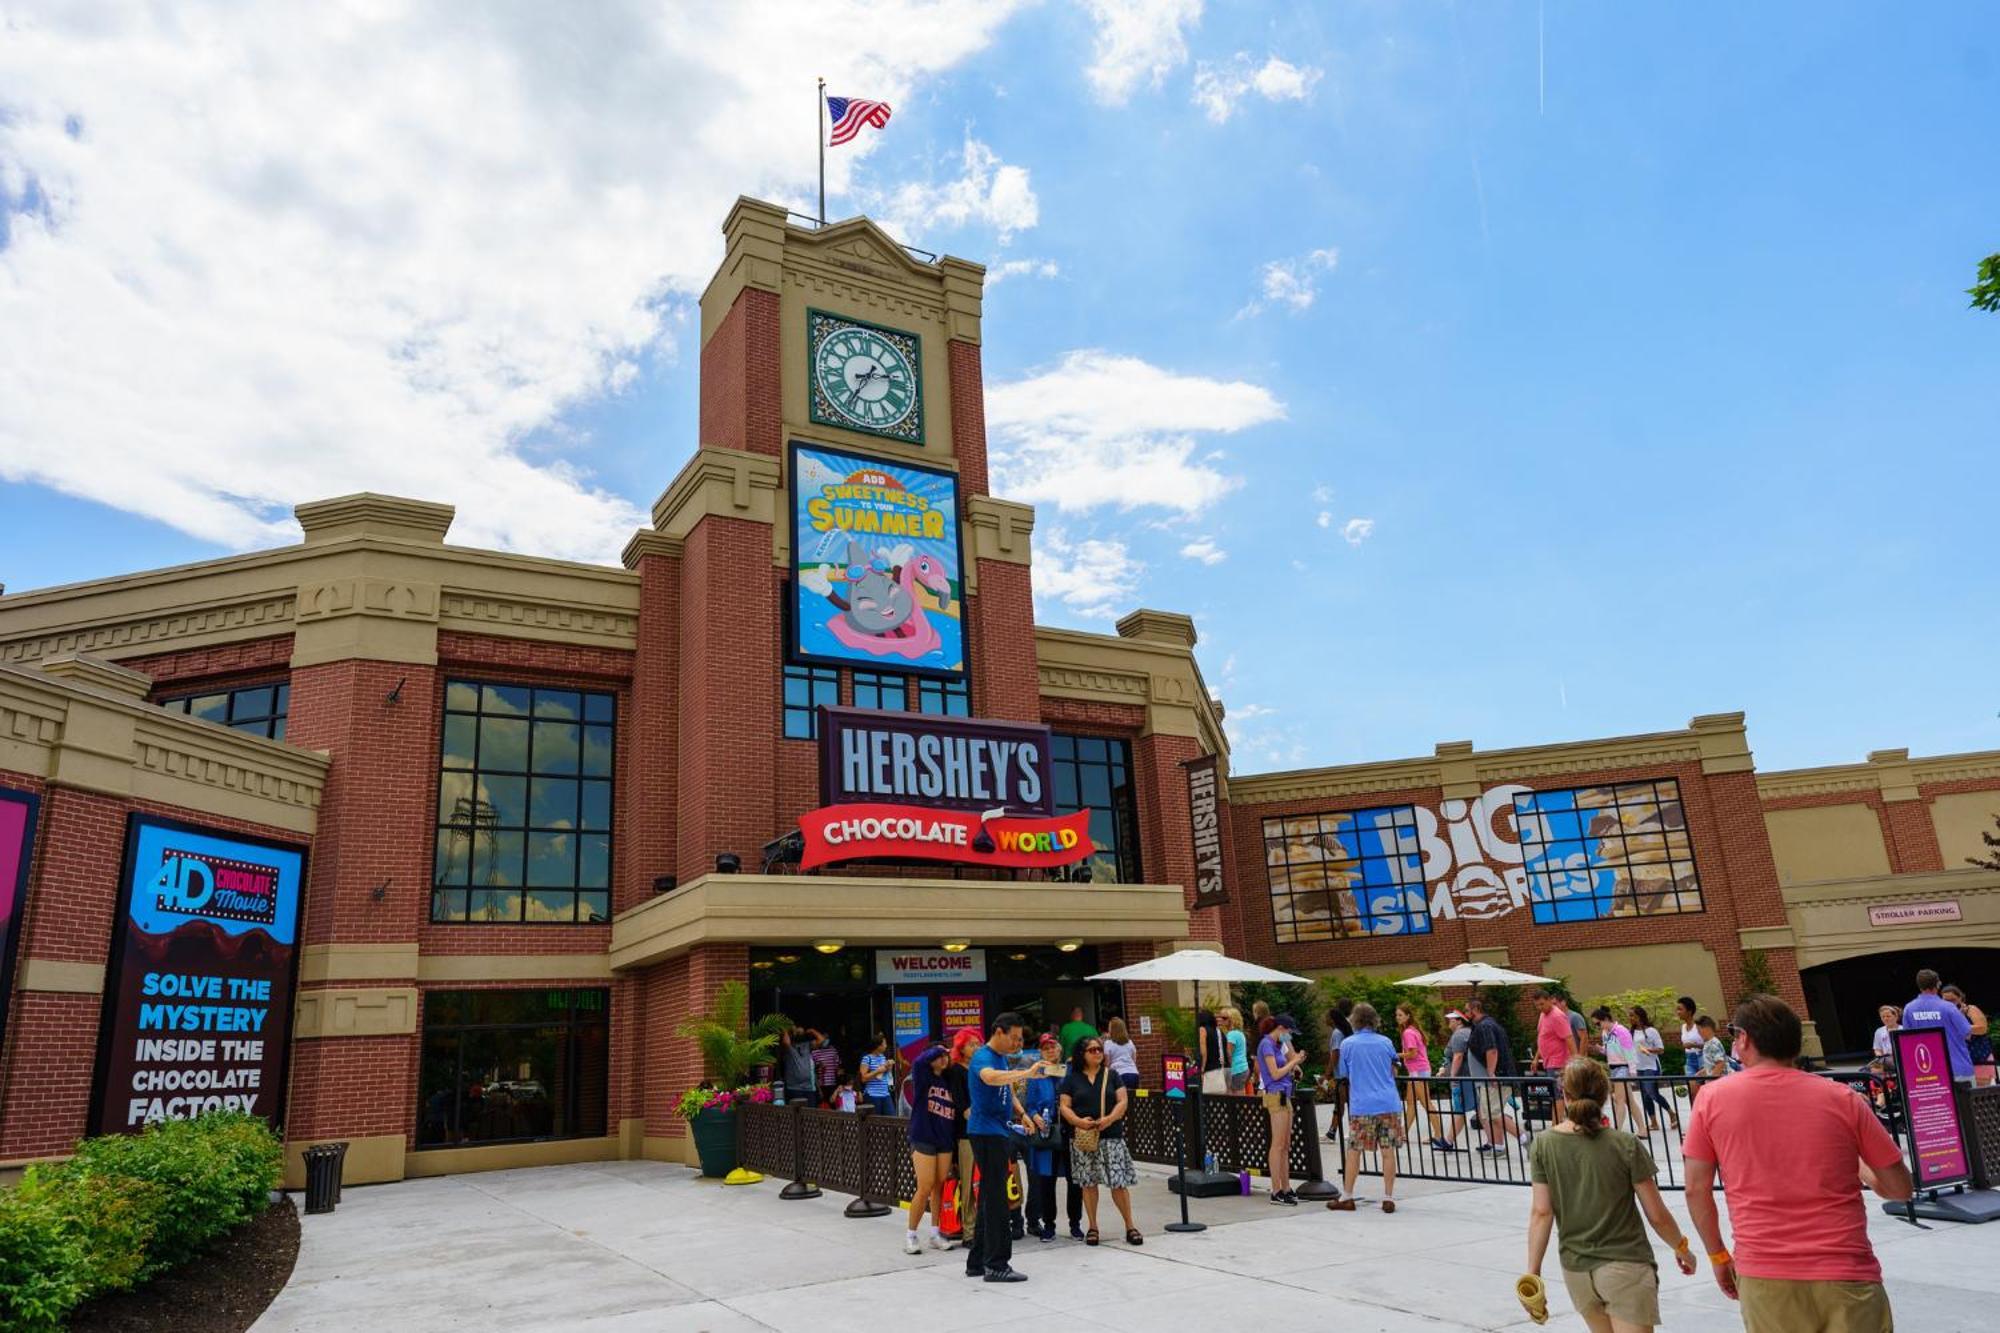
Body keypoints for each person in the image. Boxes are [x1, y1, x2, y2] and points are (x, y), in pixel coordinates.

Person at [1684, 995, 1912, 1332]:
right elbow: (1900, 1189)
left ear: (1744, 1038)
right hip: (1847, 1272)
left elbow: (1695, 1189)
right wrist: (1858, 1164)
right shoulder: (1842, 1098)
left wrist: (1718, 1256)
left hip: (1766, 1275)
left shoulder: (1711, 1099)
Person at [1525, 1058, 1697, 1332]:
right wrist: (1682, 1247)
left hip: (1577, 1269)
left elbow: (1541, 1212)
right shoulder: (1624, 1144)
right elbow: (1657, 1214)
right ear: (1605, 1095)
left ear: (1565, 1095)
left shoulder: (1543, 1144)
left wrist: (1533, 1271)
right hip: (1626, 1265)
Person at [964, 1012, 1054, 1284]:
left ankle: (977, 1262)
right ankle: (997, 1264)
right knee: (997, 1201)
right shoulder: (983, 1057)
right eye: (1014, 1038)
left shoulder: (1002, 1057)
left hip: (998, 1131)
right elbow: (991, 1078)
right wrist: (1027, 1072)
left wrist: (1022, 1114)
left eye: (1020, 1039)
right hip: (986, 1134)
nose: (1017, 1043)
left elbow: (1009, 1090)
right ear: (998, 1032)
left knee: (989, 1199)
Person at [1061, 1035, 1141, 1245]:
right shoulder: (1071, 1078)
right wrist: (1078, 1121)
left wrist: (1109, 1119)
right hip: (1084, 1137)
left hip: (1110, 1135)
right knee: (1088, 1183)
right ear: (1082, 1054)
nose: (1098, 1053)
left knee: (1118, 1183)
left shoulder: (1112, 1075)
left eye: (1099, 1049)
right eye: (1092, 1050)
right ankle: (1093, 1226)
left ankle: (1130, 1226)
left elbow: (1123, 1100)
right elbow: (1064, 1106)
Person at [1328, 1002, 1403, 1213]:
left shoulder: (1348, 1044)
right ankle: (1388, 1197)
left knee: (1354, 1151)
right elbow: (1394, 1070)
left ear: (1355, 1021)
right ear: (1374, 1020)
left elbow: (1344, 1072)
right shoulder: (1386, 1042)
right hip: (1388, 1102)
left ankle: (1347, 1196)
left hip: (1362, 1105)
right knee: (1388, 1151)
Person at [905, 1044, 958, 1254]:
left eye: (946, 1056)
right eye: (939, 1056)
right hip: (923, 1136)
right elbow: (918, 1061)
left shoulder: (949, 1080)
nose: (944, 1059)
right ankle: (911, 1235)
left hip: (944, 1139)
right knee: (924, 1186)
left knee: (939, 1185)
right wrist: (938, 1049)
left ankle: (935, 1232)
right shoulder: (922, 1076)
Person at [1020, 1033, 1067, 1243]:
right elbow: (1029, 1105)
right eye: (1046, 1048)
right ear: (1040, 1052)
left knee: (1072, 1180)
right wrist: (1035, 1116)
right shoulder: (1036, 1074)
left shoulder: (1068, 1072)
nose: (1050, 1051)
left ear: (1060, 1049)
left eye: (1053, 1047)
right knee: (1042, 1178)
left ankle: (1075, 1224)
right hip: (1044, 1133)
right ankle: (1041, 1222)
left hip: (1067, 1131)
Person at [1467, 996, 1528, 1152]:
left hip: (1498, 1076)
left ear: (1475, 1009)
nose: (1466, 1015)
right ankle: (1499, 1146)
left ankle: (1524, 1137)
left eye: (1467, 1010)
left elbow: (1492, 1049)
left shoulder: (1485, 1026)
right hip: (1499, 1075)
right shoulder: (1487, 1025)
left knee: (1493, 1113)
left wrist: (1491, 1073)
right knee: (1489, 1112)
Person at [1257, 1014, 1306, 1203]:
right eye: (1289, 1032)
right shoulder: (1266, 1044)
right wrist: (1293, 1063)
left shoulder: (1278, 1044)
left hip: (1285, 1094)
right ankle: (1275, 1189)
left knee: (1285, 1145)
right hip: (1275, 1094)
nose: (1290, 1036)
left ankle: (1286, 1187)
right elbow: (1275, 1073)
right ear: (1281, 1028)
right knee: (1277, 1145)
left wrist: (1295, 1060)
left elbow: (1291, 1058)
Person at [1901, 967, 1973, 1082]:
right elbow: (1967, 1034)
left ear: (1919, 986)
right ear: (1938, 984)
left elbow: (1908, 1040)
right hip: (1957, 1068)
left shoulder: (1909, 1009)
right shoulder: (1949, 1007)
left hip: (1927, 1072)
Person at [947, 1026, 980, 1248]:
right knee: (968, 1183)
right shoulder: (956, 1071)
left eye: (977, 1043)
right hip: (966, 1133)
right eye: (970, 1044)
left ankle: (983, 1226)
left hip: (983, 1131)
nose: (975, 1047)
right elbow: (961, 1105)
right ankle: (969, 1231)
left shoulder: (980, 1068)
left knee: (984, 1182)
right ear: (961, 1047)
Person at [1628, 1006, 1677, 1133]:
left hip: (1651, 1066)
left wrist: (1648, 1050)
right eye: (1629, 1015)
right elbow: (1630, 1050)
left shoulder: (1651, 1031)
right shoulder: (1631, 1033)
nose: (1630, 1018)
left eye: (1632, 1015)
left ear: (1640, 1016)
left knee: (1651, 1092)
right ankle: (1654, 1122)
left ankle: (1671, 1113)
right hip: (1639, 1068)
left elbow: (1661, 1049)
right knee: (1645, 1096)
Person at [1533, 991, 1581, 1120]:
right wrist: (1536, 1057)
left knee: (1558, 1095)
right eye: (1537, 1005)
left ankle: (1557, 1125)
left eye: (1542, 1004)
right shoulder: (1543, 1015)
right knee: (1558, 1095)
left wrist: (1575, 1060)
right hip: (1549, 1062)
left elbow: (1569, 1038)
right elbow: (1542, 1036)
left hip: (1559, 1062)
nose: (1540, 1008)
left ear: (1549, 1000)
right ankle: (1561, 1123)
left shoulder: (1557, 1016)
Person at [1591, 1007, 1639, 1131]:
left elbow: (1630, 1051)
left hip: (1623, 1067)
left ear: (1606, 1019)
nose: (1597, 1026)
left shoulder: (1621, 1031)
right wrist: (1601, 1049)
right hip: (1614, 1067)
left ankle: (1617, 1130)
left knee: (1619, 1100)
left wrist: (1632, 1072)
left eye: (1598, 1023)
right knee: (1629, 1101)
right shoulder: (1605, 1033)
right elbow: (1610, 1051)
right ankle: (1642, 1128)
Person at [1433, 1009, 1473, 1152]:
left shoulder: (1459, 1034)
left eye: (1451, 1020)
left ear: (1459, 1021)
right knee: (1470, 1110)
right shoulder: (1464, 1033)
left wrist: (1453, 1076)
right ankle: (1448, 1141)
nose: (1449, 1022)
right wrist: (1445, 1069)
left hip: (1462, 1079)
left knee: (1460, 1109)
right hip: (1467, 1077)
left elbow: (1458, 1056)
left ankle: (1448, 1141)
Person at [1942, 984, 1994, 1087]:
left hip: (1979, 1056)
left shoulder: (1970, 1009)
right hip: (1959, 1061)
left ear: (1960, 998)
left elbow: (1982, 1028)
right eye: (1946, 1001)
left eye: (1952, 1000)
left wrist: (1959, 1026)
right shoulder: (1945, 1014)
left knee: (1980, 1096)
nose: (1949, 1003)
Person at [1395, 1003, 1431, 1136]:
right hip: (1416, 1071)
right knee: (1410, 1102)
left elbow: (1413, 1053)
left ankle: (1439, 1135)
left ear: (1408, 1016)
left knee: (1426, 1103)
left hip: (1418, 1071)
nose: (1397, 1017)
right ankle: (1404, 1132)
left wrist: (1396, 1055)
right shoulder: (1412, 1030)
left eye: (1400, 1015)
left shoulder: (1408, 1032)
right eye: (1397, 1015)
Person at [1322, 998, 1353, 1141]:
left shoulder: (1336, 1033)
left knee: (1341, 1103)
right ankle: (1334, 1131)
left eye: (1327, 1017)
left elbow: (1335, 1054)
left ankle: (1333, 1132)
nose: (1325, 1019)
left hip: (1342, 1074)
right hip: (1349, 1072)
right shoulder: (1347, 1028)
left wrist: (1326, 1075)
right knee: (1345, 1102)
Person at [779, 1024, 818, 1106]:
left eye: (801, 1032)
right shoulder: (788, 1048)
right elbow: (786, 1041)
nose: (800, 1033)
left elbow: (823, 1041)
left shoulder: (807, 1046)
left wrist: (812, 1031)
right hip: (793, 1088)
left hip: (809, 1088)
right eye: (798, 1032)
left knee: (810, 1115)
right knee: (794, 1115)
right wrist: (788, 1029)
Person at [1102, 1016, 1140, 1098]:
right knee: (1133, 1100)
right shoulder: (1130, 1042)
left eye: (1109, 1027)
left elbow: (1107, 1064)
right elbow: (1134, 1060)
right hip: (1133, 1073)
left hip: (1118, 1075)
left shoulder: (1108, 1043)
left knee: (1120, 1101)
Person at [860, 1033, 895, 1116]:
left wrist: (889, 1069)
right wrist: (877, 1071)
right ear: (878, 1046)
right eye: (884, 1044)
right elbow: (863, 1078)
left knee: (891, 1118)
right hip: (872, 1094)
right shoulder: (867, 1058)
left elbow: (885, 1075)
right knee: (875, 1120)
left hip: (885, 1093)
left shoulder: (883, 1057)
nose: (886, 1046)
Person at [1196, 1005, 1227, 1095]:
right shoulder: (1217, 1031)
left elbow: (1203, 1052)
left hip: (1208, 1071)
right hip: (1218, 1069)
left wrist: (1201, 1069)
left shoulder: (1202, 1030)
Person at [1221, 1006, 1251, 1093]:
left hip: (1236, 1069)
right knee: (1240, 1094)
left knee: (1236, 1097)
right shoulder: (1240, 1033)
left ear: (1232, 1019)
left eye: (1225, 1018)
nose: (1222, 1020)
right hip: (1243, 1067)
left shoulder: (1231, 1034)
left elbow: (1229, 1053)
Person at [810, 1031, 841, 1106]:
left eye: (827, 1038)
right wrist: (819, 1066)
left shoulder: (833, 1051)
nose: (825, 1040)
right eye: (824, 1038)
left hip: (832, 1083)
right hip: (820, 1084)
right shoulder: (814, 1052)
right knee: (821, 1105)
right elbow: (812, 1069)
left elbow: (838, 1066)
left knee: (832, 1104)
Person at [1674, 997, 1702, 1077]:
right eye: (1677, 1009)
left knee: (1707, 1085)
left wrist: (1693, 1045)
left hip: (1702, 1057)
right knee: (1692, 1086)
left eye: (1680, 1009)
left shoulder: (1699, 1026)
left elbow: (1710, 1044)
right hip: (1689, 1059)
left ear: (1689, 1011)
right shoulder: (1683, 1027)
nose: (1677, 1012)